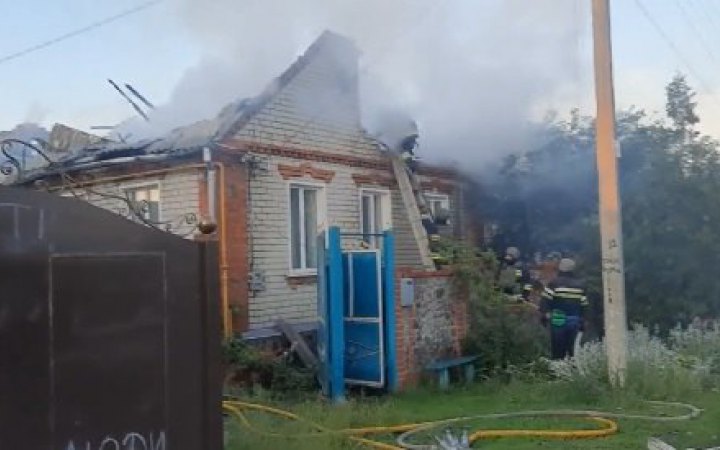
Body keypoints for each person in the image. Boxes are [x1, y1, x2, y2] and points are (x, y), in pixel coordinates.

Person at [541, 258, 588, 359]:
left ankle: (558, 367)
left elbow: (545, 300)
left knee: (558, 349)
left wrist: (544, 315)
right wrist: (583, 321)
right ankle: (571, 367)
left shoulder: (554, 283)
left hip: (558, 319)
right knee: (572, 350)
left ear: (560, 268)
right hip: (574, 320)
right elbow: (584, 305)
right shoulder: (580, 286)